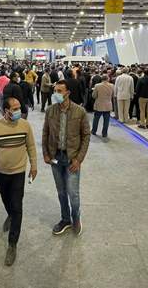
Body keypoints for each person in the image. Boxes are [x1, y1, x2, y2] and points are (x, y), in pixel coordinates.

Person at [0, 97, 37, 267]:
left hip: (18, 172)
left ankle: (12, 243)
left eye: (19, 108)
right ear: (6, 111)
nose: (18, 111)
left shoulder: (25, 125)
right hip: (1, 173)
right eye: (14, 109)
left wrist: (34, 166)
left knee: (17, 206)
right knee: (7, 201)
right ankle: (10, 215)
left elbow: (31, 146)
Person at [42, 80, 90, 236]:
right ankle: (65, 219)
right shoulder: (50, 110)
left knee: (73, 193)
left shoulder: (79, 111)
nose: (55, 94)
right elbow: (45, 133)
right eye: (54, 91)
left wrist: (79, 159)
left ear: (67, 93)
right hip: (55, 158)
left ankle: (76, 218)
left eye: (59, 91)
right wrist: (46, 153)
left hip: (72, 158)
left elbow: (86, 135)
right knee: (61, 192)